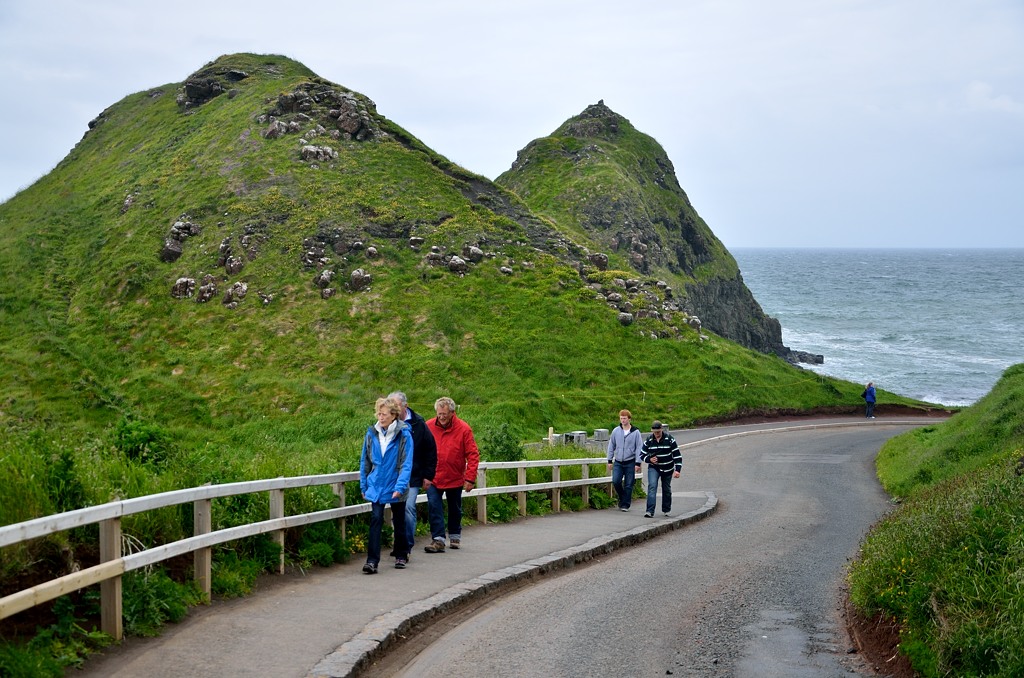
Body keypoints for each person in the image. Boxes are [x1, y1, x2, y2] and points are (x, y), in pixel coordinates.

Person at [359, 397, 413, 574]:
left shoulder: (404, 434)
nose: (380, 417)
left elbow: (406, 463)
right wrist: (363, 485)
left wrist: (400, 486)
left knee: (399, 519)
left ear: (393, 415)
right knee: (375, 519)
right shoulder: (371, 433)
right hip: (376, 484)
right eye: (379, 414)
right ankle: (372, 561)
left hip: (395, 482)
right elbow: (365, 461)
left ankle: (401, 554)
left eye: (384, 414)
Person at [423, 397, 479, 553]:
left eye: (445, 414)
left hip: (454, 476)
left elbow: (473, 454)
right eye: (439, 414)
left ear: (452, 413)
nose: (441, 417)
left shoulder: (463, 429)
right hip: (434, 476)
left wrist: (470, 478)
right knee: (434, 506)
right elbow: (420, 450)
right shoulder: (428, 426)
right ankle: (438, 539)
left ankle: (455, 534)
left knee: (454, 508)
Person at [387, 391, 437, 555]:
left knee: (408, 508)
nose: (393, 409)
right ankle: (399, 544)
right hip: (393, 476)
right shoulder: (386, 423)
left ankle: (406, 545)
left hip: (413, 475)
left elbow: (430, 449)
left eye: (396, 405)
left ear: (405, 406)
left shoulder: (418, 423)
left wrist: (428, 475)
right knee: (396, 510)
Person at [641, 421, 681, 517]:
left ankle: (666, 509)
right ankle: (649, 511)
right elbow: (642, 455)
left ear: (661, 430)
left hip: (667, 468)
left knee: (666, 489)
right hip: (654, 467)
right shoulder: (649, 440)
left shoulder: (670, 439)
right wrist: (649, 459)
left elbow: (677, 455)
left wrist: (677, 470)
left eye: (658, 432)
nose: (657, 434)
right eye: (655, 432)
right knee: (652, 486)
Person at [606, 409, 642, 511]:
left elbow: (639, 447)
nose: (623, 420)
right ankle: (623, 498)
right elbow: (611, 445)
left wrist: (638, 462)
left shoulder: (635, 432)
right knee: (616, 481)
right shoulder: (616, 431)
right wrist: (609, 460)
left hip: (630, 461)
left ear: (629, 419)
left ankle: (625, 504)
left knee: (629, 484)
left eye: (625, 418)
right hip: (618, 461)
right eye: (621, 418)